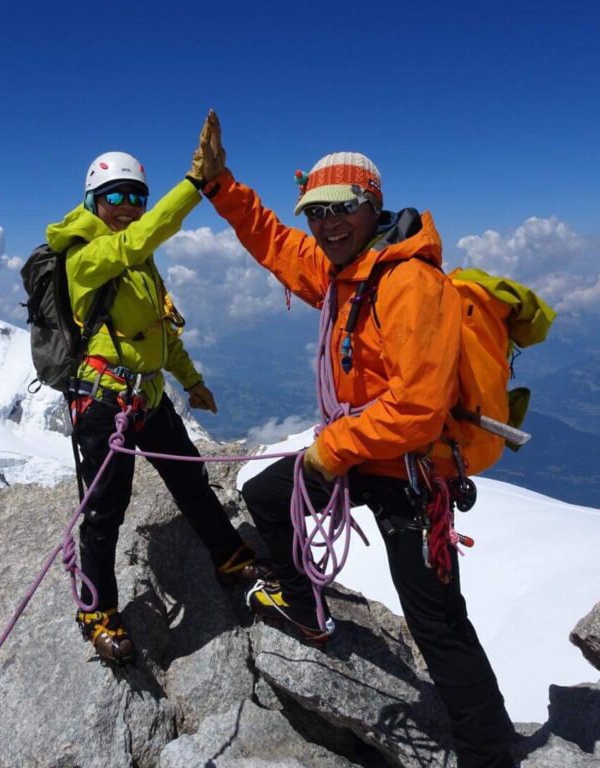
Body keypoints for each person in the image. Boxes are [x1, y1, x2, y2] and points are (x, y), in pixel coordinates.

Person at [197, 115, 517, 767]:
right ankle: (305, 608)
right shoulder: (343, 272)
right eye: (317, 211)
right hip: (359, 453)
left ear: (372, 206)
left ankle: (490, 754)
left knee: (436, 624)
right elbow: (275, 243)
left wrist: (330, 452)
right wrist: (219, 185)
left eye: (343, 208)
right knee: (266, 495)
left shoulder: (408, 283)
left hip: (411, 475)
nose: (327, 223)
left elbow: (420, 409)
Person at [44, 113, 270, 666]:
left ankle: (228, 555)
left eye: (136, 197)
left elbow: (160, 332)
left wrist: (192, 382)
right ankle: (96, 609)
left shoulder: (141, 262)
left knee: (189, 478)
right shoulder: (87, 257)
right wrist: (194, 185)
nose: (126, 205)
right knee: (103, 509)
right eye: (115, 195)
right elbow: (138, 240)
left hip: (144, 395)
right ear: (93, 200)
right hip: (101, 403)